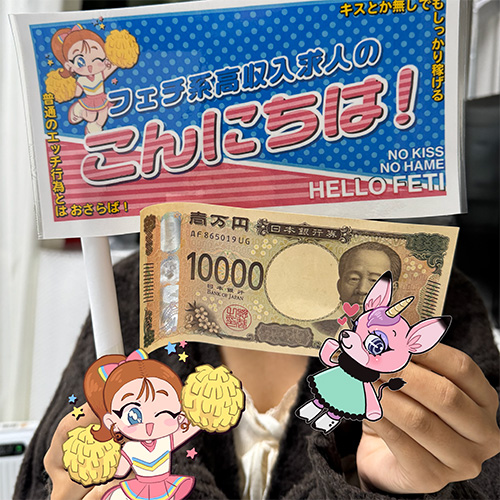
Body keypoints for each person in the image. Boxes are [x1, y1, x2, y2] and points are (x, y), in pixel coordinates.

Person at [14, 252, 500, 499]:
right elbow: (50, 478)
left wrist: (375, 483)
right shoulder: (133, 289)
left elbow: (484, 480)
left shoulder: (429, 302)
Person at [314, 241, 402, 337]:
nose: (362, 289)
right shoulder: (316, 330)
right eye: (354, 279)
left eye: (374, 280)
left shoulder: (403, 338)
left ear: (393, 290)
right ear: (339, 286)